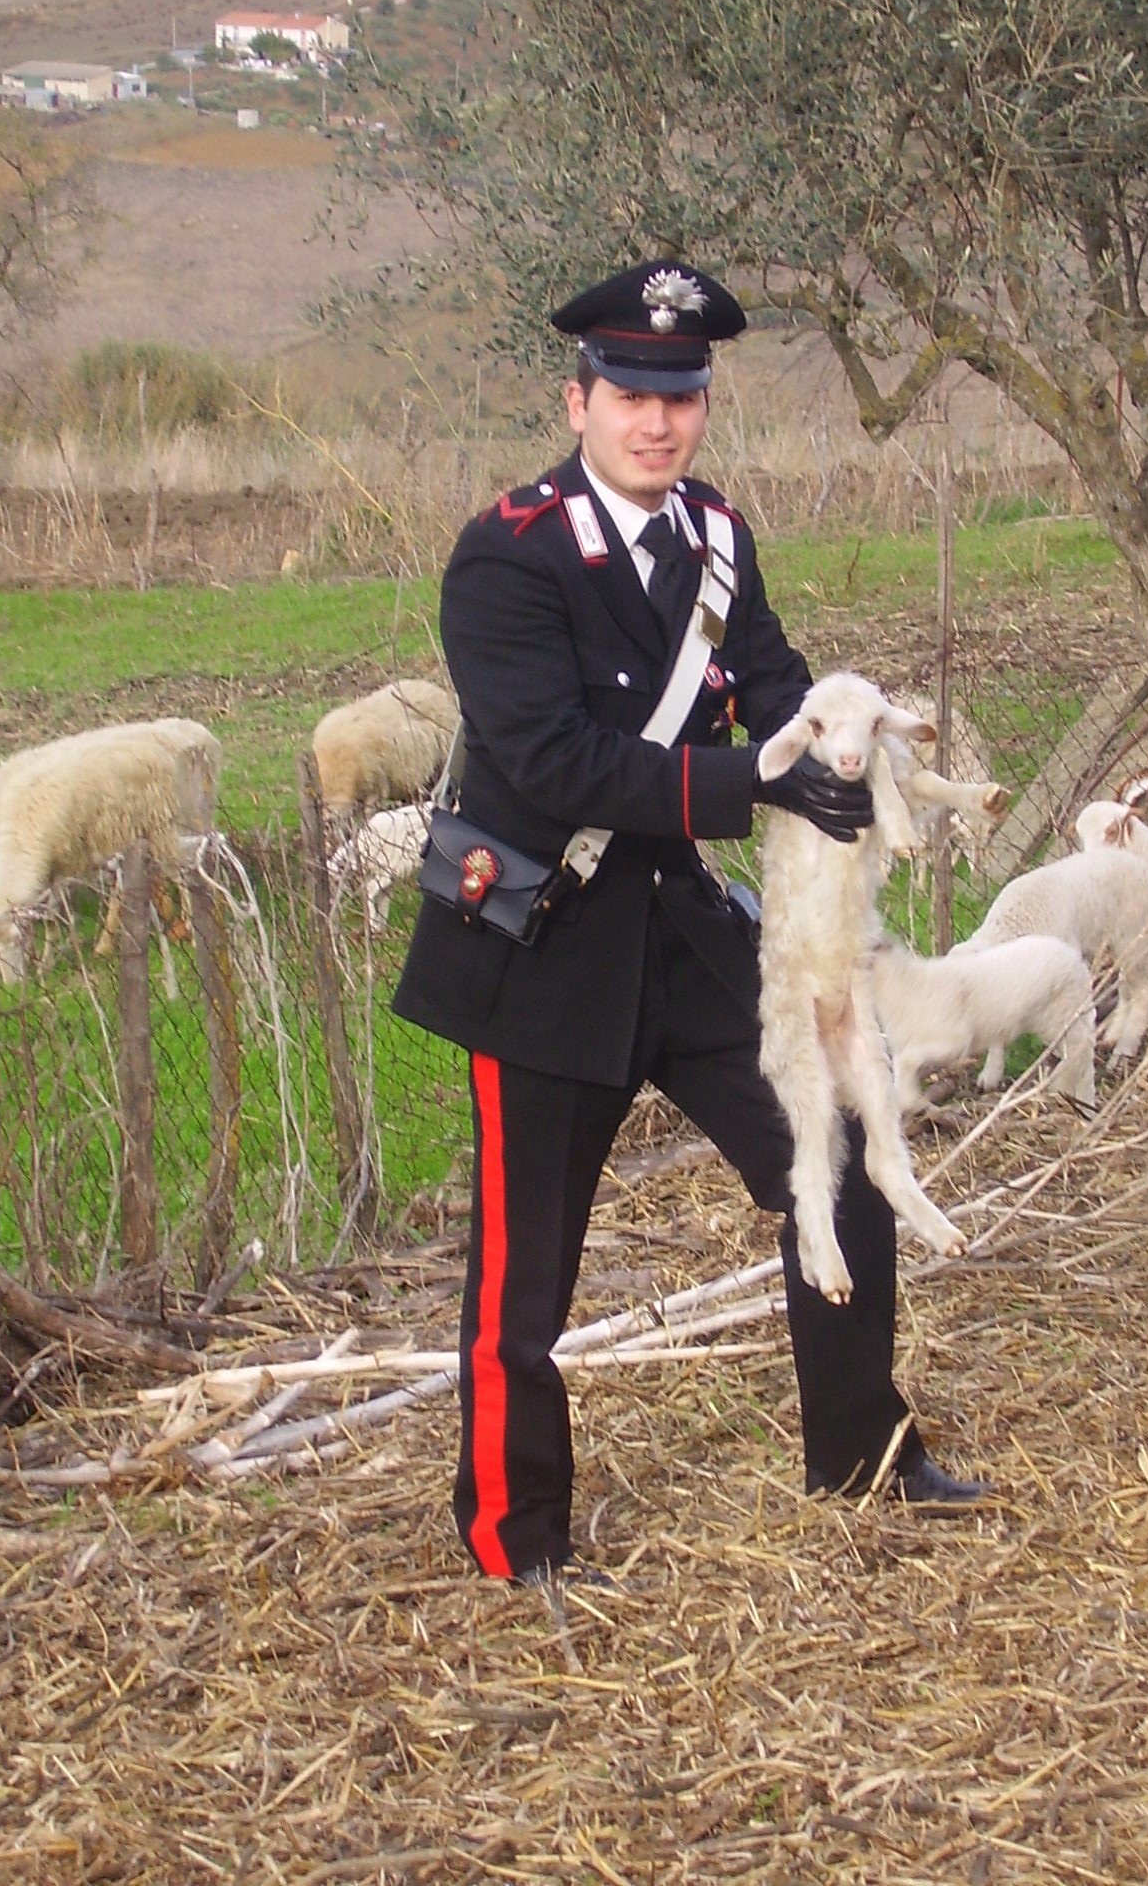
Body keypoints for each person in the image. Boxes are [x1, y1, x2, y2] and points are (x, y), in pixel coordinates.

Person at [392, 259, 990, 1587]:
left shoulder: (717, 538)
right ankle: (517, 1545)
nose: (657, 421)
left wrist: (846, 746)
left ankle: (862, 1457)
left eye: (681, 395)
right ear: (580, 398)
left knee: (831, 1168)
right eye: (629, 395)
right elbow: (553, 763)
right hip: (541, 951)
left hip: (681, 934)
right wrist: (754, 778)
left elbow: (770, 683)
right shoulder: (510, 550)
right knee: (522, 1290)